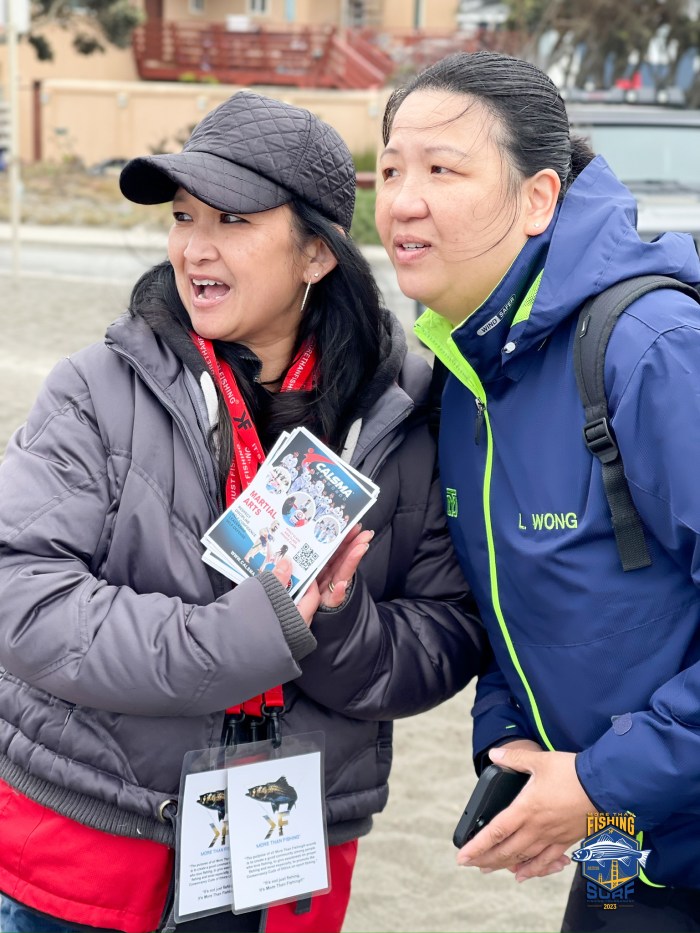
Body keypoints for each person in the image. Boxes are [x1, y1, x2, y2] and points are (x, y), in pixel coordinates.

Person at [0, 90, 484, 933]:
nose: (195, 246)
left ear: (316, 254)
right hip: (93, 843)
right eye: (184, 216)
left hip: (286, 850)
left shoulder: (406, 412)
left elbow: (446, 632)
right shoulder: (96, 389)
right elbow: (24, 600)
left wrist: (335, 621)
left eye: (233, 219)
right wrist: (250, 633)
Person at [375, 50, 700, 932]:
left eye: (442, 170)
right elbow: (517, 601)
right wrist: (508, 734)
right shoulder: (468, 371)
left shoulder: (651, 349)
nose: (403, 201)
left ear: (539, 198)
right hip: (619, 845)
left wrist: (597, 780)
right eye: (391, 170)